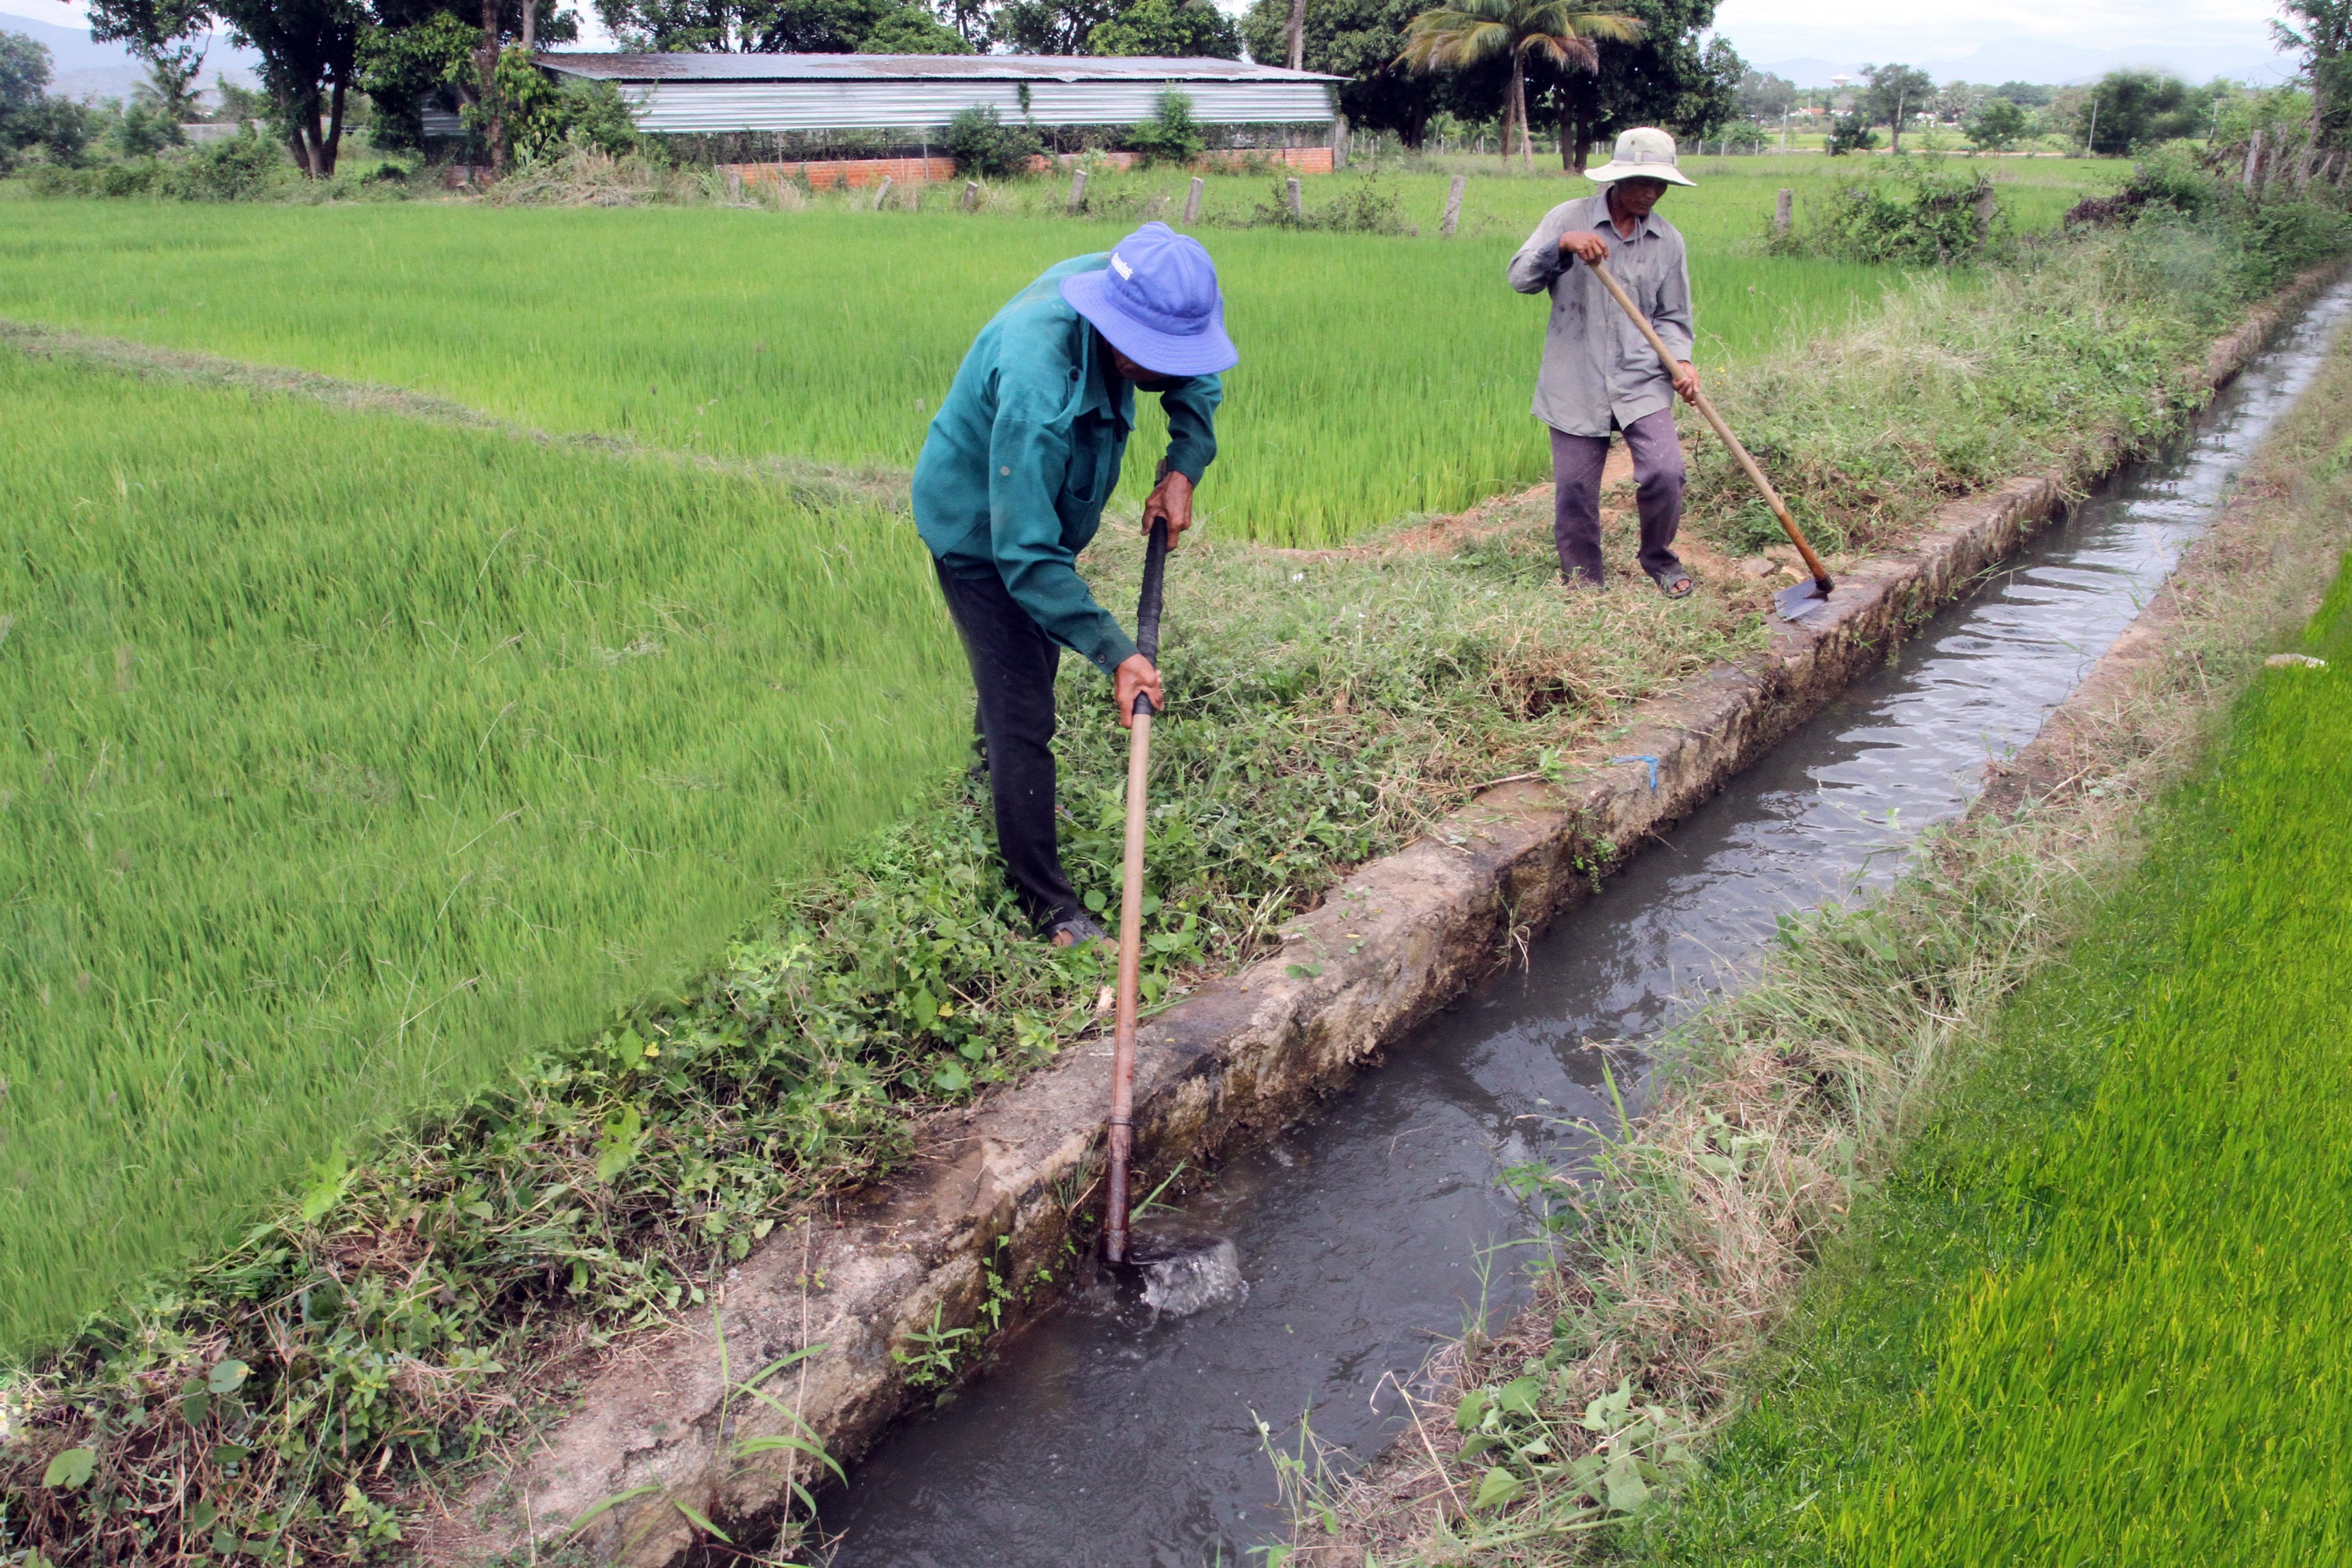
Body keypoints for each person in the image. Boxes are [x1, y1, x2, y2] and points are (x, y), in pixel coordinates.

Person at [912, 221, 1238, 947]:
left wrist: (1184, 464)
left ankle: (988, 763)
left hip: (1042, 516)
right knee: (1024, 704)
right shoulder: (1039, 384)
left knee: (1025, 667)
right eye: (1160, 357)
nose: (1175, 367)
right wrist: (1118, 651)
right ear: (1119, 336)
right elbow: (1024, 556)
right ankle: (1047, 906)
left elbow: (1196, 376)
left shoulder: (1140, 285)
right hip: (981, 531)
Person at [1507, 126, 1703, 598]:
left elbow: (1673, 317)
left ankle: (1658, 559)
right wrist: (1562, 247)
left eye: (1660, 185)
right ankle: (1584, 582)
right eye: (1642, 182)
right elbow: (1519, 278)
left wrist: (1681, 361)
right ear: (1617, 179)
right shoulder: (1568, 218)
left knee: (1665, 472)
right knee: (1575, 490)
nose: (1651, 193)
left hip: (1641, 380)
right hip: (1575, 380)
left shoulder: (1667, 241)